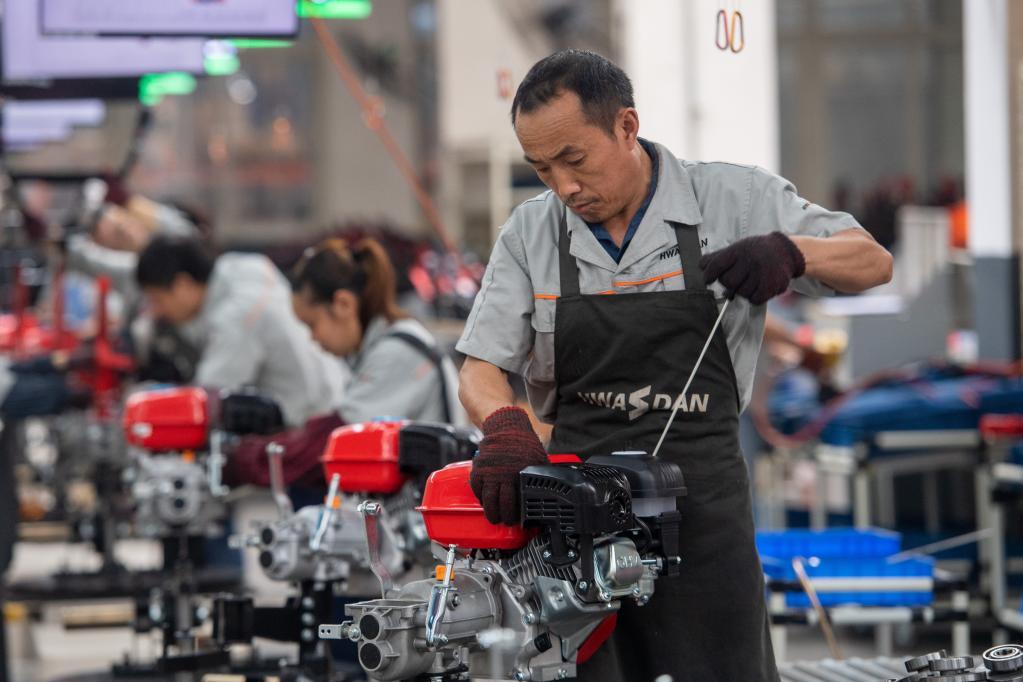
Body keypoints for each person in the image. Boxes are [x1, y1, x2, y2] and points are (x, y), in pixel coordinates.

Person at [455, 50, 893, 682]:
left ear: (626, 128)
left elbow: (872, 262)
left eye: (574, 160)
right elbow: (479, 367)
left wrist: (793, 251)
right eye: (542, 168)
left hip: (705, 520)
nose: (563, 187)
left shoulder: (734, 200)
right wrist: (503, 424)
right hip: (576, 526)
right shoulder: (532, 233)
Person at [225, 237, 465, 488]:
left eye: (312, 324)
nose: (312, 338)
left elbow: (332, 444)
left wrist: (247, 459)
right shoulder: (381, 346)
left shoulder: (398, 352)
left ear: (343, 304)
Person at [135, 236, 346, 428]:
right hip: (332, 393)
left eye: (158, 299)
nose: (157, 311)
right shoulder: (242, 267)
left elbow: (206, 400)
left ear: (183, 285)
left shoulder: (237, 316)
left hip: (309, 422)